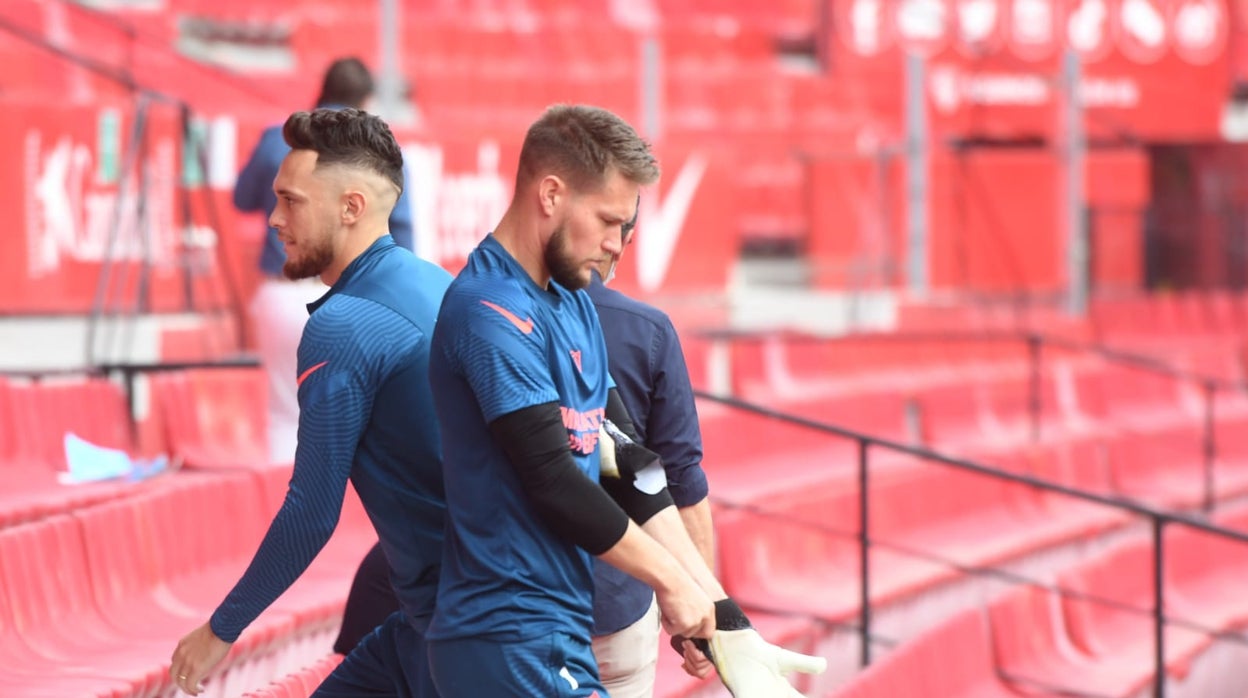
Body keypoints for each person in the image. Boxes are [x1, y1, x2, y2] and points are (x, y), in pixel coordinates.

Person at [425, 104, 824, 697]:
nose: (617, 245)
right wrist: (672, 582)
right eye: (609, 221)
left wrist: (721, 612)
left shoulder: (573, 300)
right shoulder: (489, 309)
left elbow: (628, 461)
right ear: (551, 194)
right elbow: (554, 479)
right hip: (505, 636)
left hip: (560, 631)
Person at [327, 205, 718, 697]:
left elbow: (634, 470)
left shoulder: (493, 308)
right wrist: (702, 603)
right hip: (558, 608)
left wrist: (702, 598)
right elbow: (672, 481)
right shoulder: (503, 311)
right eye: (609, 225)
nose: (611, 244)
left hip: (499, 600)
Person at [169, 107, 451, 698]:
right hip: (450, 605)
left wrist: (220, 629)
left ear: (351, 207)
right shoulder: (434, 281)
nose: (274, 219)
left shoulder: (344, 325)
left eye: (290, 201)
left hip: (461, 625)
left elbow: (312, 512)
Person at [235, 56, 416, 462]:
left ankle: (288, 499)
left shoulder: (275, 139)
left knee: (283, 417)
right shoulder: (378, 154)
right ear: (365, 100)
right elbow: (401, 230)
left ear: (323, 90)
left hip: (281, 293)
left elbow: (241, 198)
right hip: (349, 298)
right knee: (347, 425)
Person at [585, 204, 717, 697]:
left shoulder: (481, 308)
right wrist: (702, 615)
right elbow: (683, 484)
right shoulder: (648, 329)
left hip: (513, 609)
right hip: (616, 606)